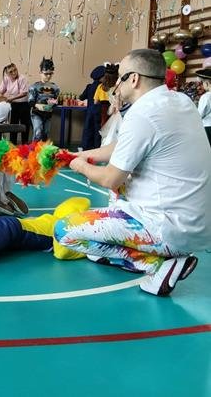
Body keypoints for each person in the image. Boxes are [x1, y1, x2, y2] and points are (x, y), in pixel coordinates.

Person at [55, 49, 211, 296]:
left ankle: (157, 264)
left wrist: (79, 166)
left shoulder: (142, 114)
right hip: (197, 225)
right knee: (102, 237)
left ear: (134, 79)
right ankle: (160, 255)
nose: (116, 83)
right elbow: (124, 147)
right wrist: (80, 155)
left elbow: (110, 178)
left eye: (120, 77)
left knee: (64, 231)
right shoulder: (180, 101)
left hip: (167, 228)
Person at [0, 63, 30, 144]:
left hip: (24, 104)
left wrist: (11, 98)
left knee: (25, 126)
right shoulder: (6, 79)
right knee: (13, 126)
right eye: (11, 72)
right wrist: (2, 99)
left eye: (15, 70)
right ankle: (13, 145)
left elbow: (24, 93)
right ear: (7, 74)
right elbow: (0, 92)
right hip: (13, 105)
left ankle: (25, 145)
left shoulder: (22, 78)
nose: (14, 72)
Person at [29, 57, 60, 142]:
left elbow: (56, 100)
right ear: (40, 72)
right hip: (36, 113)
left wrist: (54, 103)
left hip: (48, 114)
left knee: (46, 133)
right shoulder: (34, 86)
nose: (49, 76)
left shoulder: (55, 87)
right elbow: (30, 101)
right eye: (46, 74)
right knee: (38, 132)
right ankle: (34, 149)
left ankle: (44, 149)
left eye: (51, 73)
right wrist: (38, 105)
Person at [79, 65, 105, 150]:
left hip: (89, 112)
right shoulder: (103, 87)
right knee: (98, 131)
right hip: (99, 112)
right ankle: (96, 149)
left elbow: (81, 97)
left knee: (88, 129)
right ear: (101, 78)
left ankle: (86, 148)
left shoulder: (89, 87)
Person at [195, 66, 211, 145]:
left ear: (207, 83)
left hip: (208, 127)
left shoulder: (206, 97)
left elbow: (200, 114)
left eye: (203, 82)